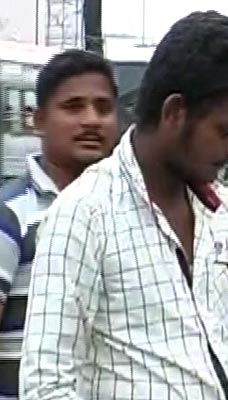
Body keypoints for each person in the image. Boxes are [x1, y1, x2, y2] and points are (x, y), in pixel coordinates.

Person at [20, 11, 228, 400]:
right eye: (226, 131)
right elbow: (47, 387)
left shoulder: (226, 215)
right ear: (174, 113)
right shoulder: (84, 213)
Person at [0, 49, 119, 399]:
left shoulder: (127, 214)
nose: (91, 120)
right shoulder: (12, 214)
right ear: (38, 120)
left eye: (103, 108)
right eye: (73, 107)